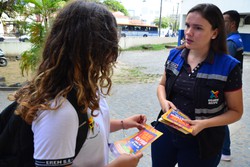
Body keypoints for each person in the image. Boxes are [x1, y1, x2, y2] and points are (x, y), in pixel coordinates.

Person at [13, 1, 146, 167]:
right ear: (96, 50)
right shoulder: (60, 111)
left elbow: (89, 127)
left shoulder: (84, 87)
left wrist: (122, 124)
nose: (113, 53)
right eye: (111, 43)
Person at [151, 3, 243, 167]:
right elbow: (161, 86)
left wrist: (203, 124)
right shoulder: (175, 55)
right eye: (187, 25)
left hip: (204, 142)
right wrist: (164, 102)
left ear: (214, 33)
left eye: (198, 28)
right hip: (166, 132)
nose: (188, 32)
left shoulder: (228, 66)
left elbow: (236, 112)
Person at [221, 10, 244, 161]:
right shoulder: (238, 39)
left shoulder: (230, 43)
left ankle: (225, 150)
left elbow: (222, 67)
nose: (221, 24)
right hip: (234, 85)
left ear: (232, 24)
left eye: (224, 21)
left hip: (226, 87)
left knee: (220, 118)